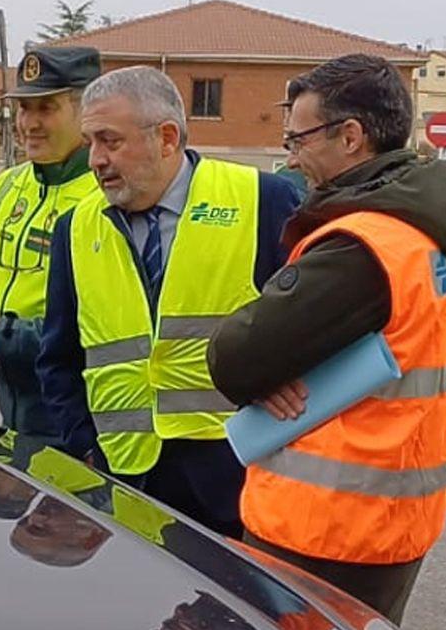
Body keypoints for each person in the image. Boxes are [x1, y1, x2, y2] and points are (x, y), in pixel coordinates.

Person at [207, 54, 446, 624]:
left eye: (299, 139)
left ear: (351, 136)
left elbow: (234, 359)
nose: (291, 157)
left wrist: (266, 366)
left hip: (323, 533)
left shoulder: (362, 248)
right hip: (387, 526)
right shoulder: (423, 231)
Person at [37, 67, 301, 537]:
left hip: (238, 480)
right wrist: (85, 449)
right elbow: (58, 356)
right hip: (125, 479)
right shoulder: (75, 228)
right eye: (90, 142)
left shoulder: (265, 200)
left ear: (166, 137)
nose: (95, 159)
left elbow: (309, 329)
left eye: (109, 141)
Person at [0, 46, 102, 439]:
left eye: (46, 109)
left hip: (74, 410)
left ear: (85, 112)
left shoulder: (104, 195)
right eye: (23, 109)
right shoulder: (8, 184)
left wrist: (10, 338)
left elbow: (102, 317)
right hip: (12, 403)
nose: (29, 123)